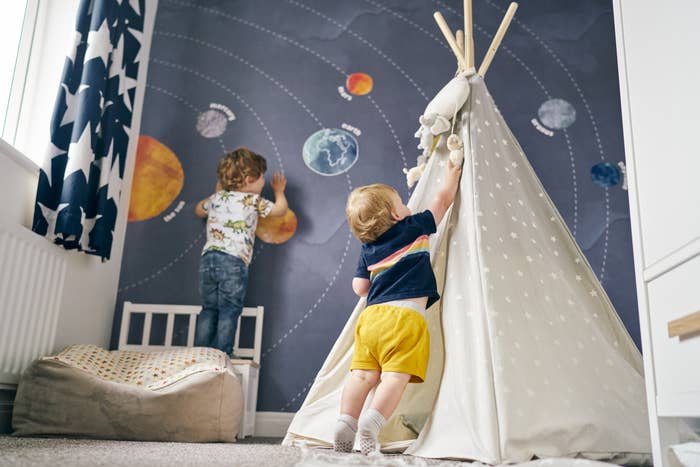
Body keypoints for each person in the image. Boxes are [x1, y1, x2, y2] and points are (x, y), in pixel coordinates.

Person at [334, 161, 461, 455]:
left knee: (362, 376)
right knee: (394, 377)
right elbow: (442, 201)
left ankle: (345, 421)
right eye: (402, 203)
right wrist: (452, 174)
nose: (406, 206)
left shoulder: (367, 250)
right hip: (405, 318)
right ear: (396, 214)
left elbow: (360, 288)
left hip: (371, 319)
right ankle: (372, 423)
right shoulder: (412, 226)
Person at [194, 147, 287, 356]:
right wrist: (279, 191)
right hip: (233, 261)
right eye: (262, 178)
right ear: (248, 179)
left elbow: (199, 210)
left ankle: (199, 354)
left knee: (209, 309)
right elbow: (280, 211)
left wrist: (218, 191)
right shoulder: (252, 201)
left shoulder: (217, 198)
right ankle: (223, 353)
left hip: (208, 259)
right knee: (229, 309)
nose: (263, 182)